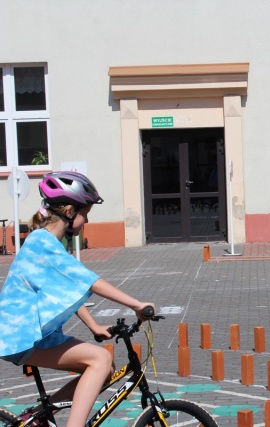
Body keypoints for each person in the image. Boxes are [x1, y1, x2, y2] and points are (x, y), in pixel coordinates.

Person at [0, 171, 155, 427]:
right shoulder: (43, 243)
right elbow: (88, 280)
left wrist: (93, 326)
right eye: (86, 213)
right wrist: (137, 304)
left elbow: (68, 288)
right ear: (70, 212)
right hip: (20, 336)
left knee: (105, 368)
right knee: (100, 360)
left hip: (34, 334)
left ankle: (38, 415)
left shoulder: (47, 242)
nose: (88, 220)